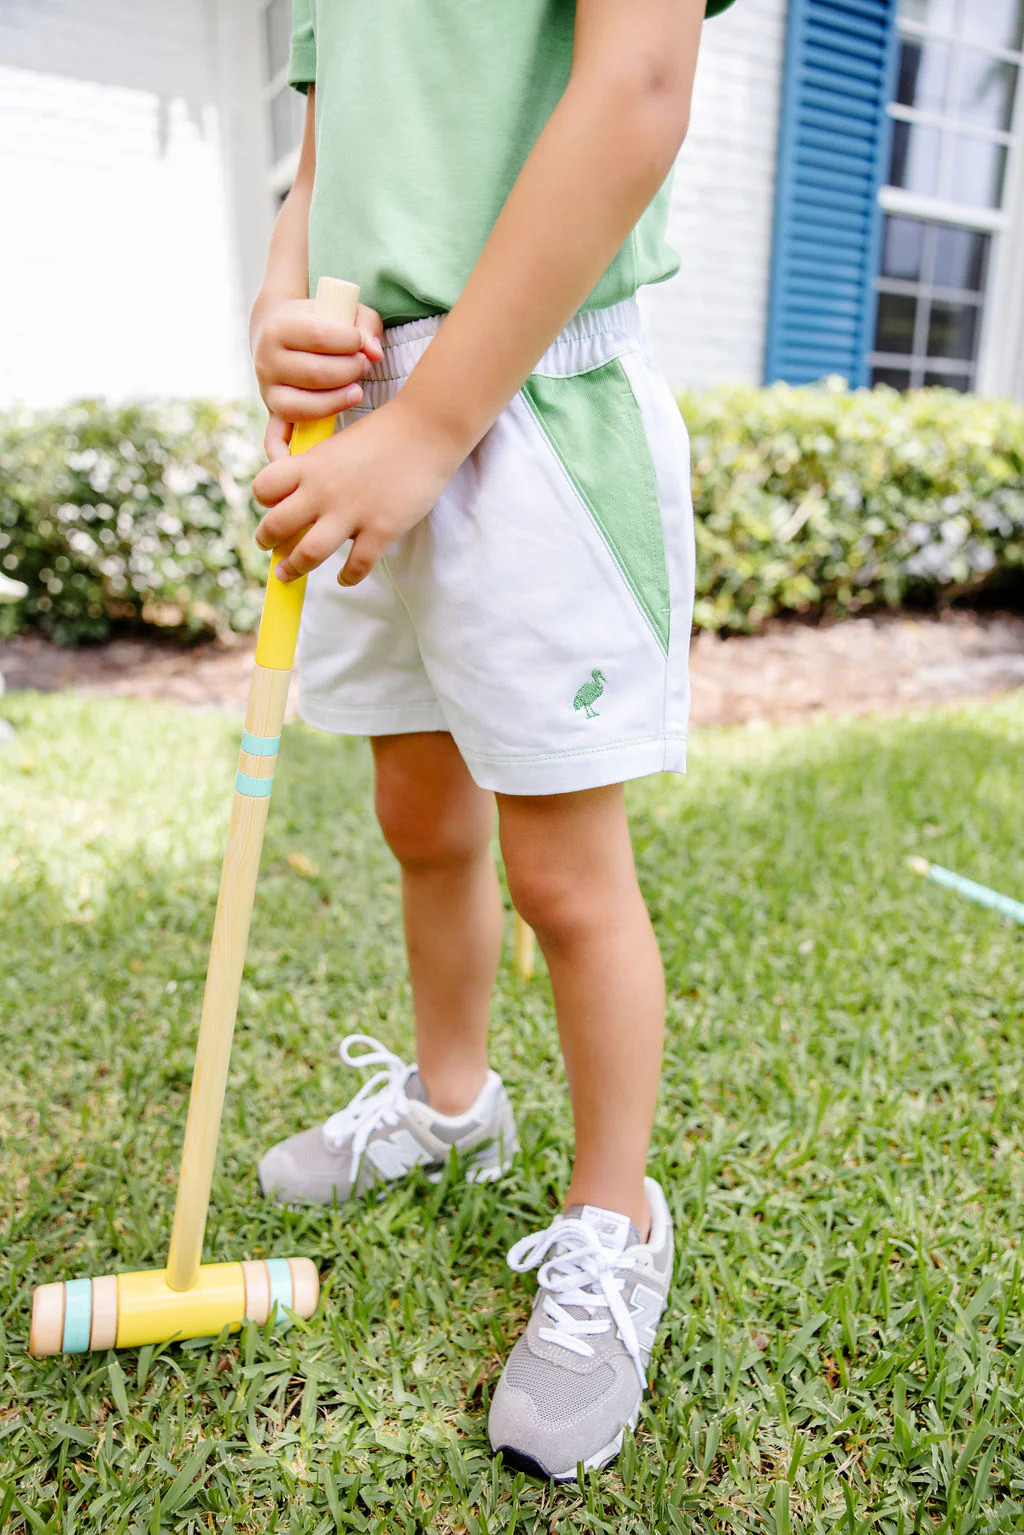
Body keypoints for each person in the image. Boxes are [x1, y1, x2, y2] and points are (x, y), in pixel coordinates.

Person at [250, 0, 737, 1482]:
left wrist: (434, 422)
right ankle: (454, 1100)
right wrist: (277, 331)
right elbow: (316, 169)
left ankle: (614, 1224)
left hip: (529, 405)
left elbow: (639, 86)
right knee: (418, 809)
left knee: (565, 876)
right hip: (371, 416)